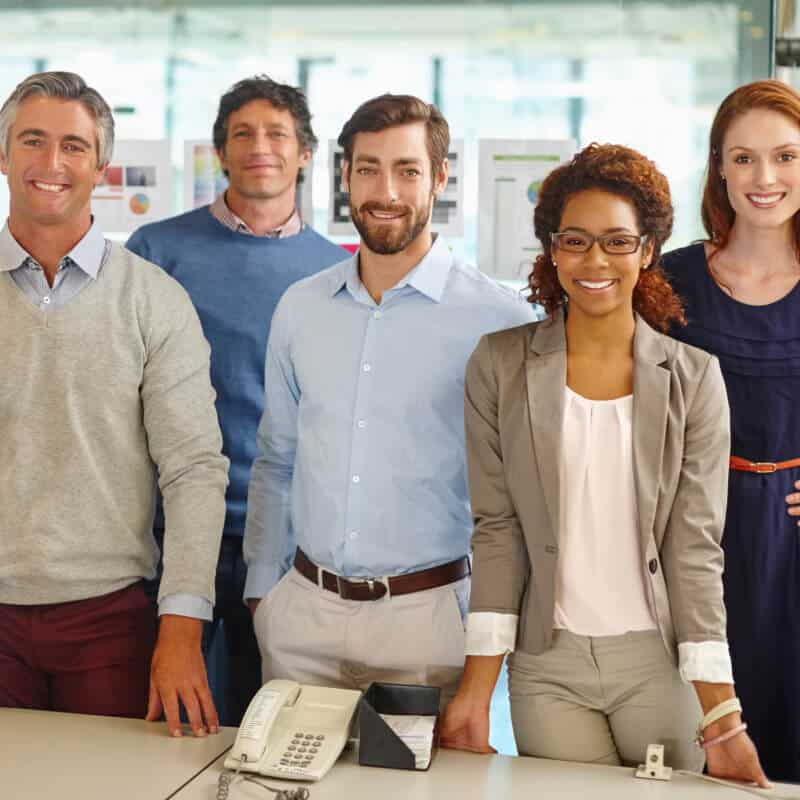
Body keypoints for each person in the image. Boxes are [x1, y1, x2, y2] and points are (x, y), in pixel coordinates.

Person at [440, 143, 769, 786]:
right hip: (545, 668)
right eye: (577, 240)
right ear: (552, 250)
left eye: (618, 241)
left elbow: (695, 550)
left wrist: (722, 719)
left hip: (657, 664)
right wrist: (476, 691)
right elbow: (498, 532)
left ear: (647, 250)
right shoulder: (499, 365)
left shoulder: (694, 379)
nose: (596, 261)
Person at [242, 94, 536, 700]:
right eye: (368, 168)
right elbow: (276, 460)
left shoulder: (499, 320)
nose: (385, 190)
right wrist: (261, 595)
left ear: (439, 178)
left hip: (428, 627)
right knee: (287, 792)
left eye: (407, 170)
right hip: (301, 619)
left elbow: (519, 498)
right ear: (345, 174)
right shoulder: (300, 307)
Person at [0, 71, 228, 739]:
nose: (51, 164)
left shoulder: (154, 300)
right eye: (32, 141)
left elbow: (193, 468)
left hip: (110, 621)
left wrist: (182, 628)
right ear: (3, 153)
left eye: (74, 146)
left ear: (101, 165)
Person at [127, 76, 344, 727]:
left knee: (266, 727)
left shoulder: (337, 272)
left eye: (277, 134)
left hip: (282, 542)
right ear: (220, 152)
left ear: (305, 153)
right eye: (243, 134)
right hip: (165, 534)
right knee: (165, 725)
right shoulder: (155, 253)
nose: (260, 147)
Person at [662, 79, 800, 782]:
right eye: (743, 158)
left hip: (794, 544)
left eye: (784, 156)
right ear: (719, 166)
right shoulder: (670, 281)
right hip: (695, 540)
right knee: (699, 754)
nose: (765, 178)